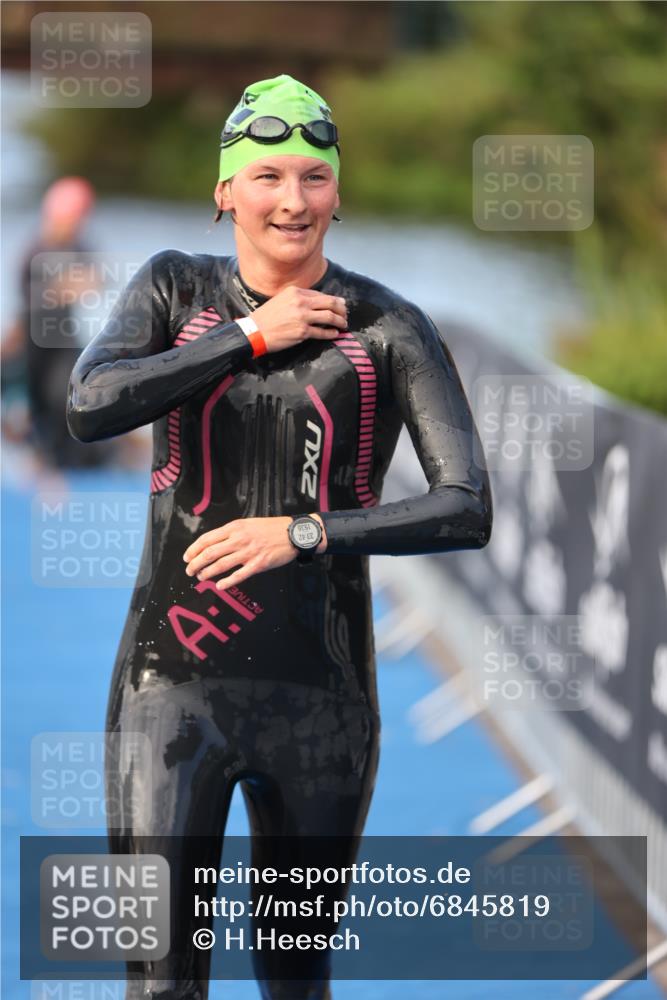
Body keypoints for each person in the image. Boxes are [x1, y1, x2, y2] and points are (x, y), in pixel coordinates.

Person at [67, 74, 492, 1000]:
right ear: (225, 191)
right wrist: (251, 337)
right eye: (265, 176)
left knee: (294, 978)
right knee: (160, 980)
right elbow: (90, 409)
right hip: (166, 689)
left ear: (339, 192)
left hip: (323, 700)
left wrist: (301, 533)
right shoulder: (174, 290)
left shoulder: (386, 328)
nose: (290, 201)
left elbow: (466, 507)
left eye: (312, 177)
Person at [3, 176, 111, 470]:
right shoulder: (35, 249)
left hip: (62, 340)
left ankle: (73, 459)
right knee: (34, 401)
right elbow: (30, 298)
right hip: (33, 338)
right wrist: (64, 288)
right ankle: (36, 456)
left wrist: (73, 286)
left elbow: (98, 281)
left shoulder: (79, 247)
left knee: (67, 398)